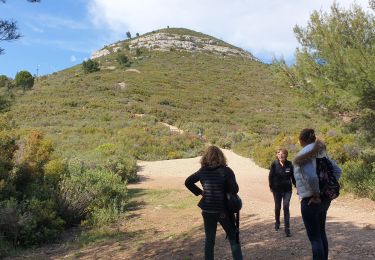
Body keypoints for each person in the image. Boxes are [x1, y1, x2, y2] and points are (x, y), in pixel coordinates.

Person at [185, 146, 243, 260]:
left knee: (209, 240)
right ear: (221, 156)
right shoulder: (226, 171)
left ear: (205, 157)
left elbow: (188, 182)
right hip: (223, 210)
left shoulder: (202, 171)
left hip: (207, 209)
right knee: (233, 237)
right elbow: (234, 190)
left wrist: (201, 192)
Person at [293, 128, 341, 260]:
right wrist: (326, 188)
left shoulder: (303, 154)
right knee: (321, 234)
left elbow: (312, 177)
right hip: (325, 199)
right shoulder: (322, 152)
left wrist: (316, 195)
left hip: (312, 200)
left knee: (315, 238)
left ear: (301, 140)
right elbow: (337, 171)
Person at [268, 148, 296, 237]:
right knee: (277, 207)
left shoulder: (290, 164)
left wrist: (297, 187)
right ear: (277, 155)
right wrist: (271, 187)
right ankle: (277, 222)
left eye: (282, 154)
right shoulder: (274, 164)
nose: (280, 155)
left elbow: (293, 177)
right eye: (279, 153)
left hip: (287, 190)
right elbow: (270, 176)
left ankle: (287, 228)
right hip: (277, 190)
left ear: (286, 155)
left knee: (286, 207)